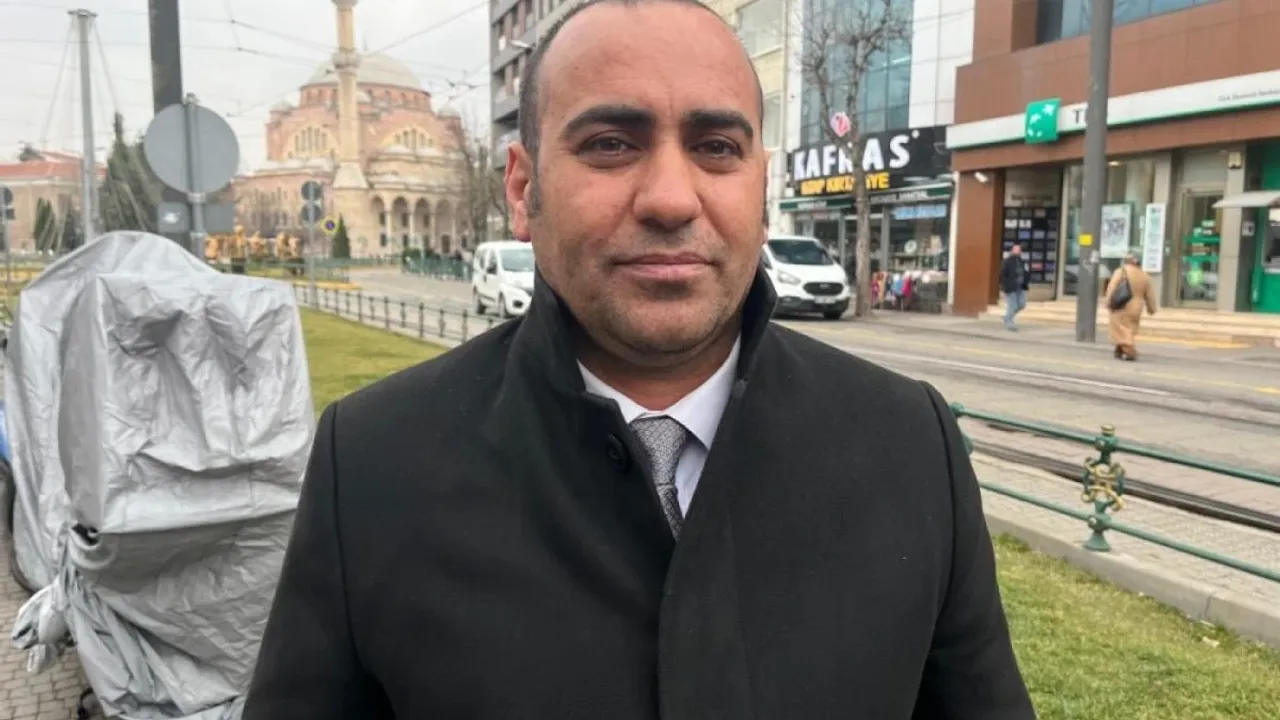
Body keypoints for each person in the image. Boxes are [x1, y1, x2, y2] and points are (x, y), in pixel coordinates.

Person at [241, 0, 1035, 717]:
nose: (670, 198)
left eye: (716, 147)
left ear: (760, 189)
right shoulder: (373, 464)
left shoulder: (908, 444)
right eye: (611, 144)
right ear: (522, 189)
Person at [1105, 253, 1158, 361]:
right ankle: (1119, 350)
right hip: (1137, 307)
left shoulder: (1121, 271)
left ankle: (1130, 351)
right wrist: (1151, 309)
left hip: (1122, 304)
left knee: (1121, 328)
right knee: (1128, 328)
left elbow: (1112, 287)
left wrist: (1108, 302)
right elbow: (1150, 296)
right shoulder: (1145, 276)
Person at [998, 244, 1029, 330]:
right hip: (1010, 287)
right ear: (1012, 250)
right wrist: (1005, 285)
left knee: (1022, 304)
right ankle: (1010, 323)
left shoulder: (1022, 261)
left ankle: (1007, 317)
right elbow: (1002, 275)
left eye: (1019, 249)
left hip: (1020, 286)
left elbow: (1025, 272)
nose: (1017, 251)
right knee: (1013, 305)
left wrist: (1026, 280)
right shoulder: (1007, 261)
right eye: (1015, 249)